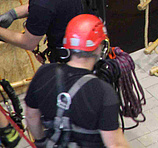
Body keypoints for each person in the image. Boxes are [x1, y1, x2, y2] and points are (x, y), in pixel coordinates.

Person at [25, 14, 129, 147]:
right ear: (99, 47)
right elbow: (115, 145)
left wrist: (41, 141)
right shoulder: (103, 92)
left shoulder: (43, 73)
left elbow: (31, 116)